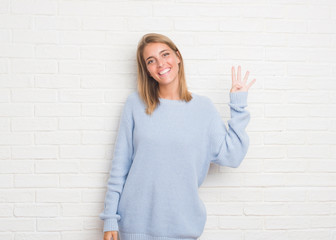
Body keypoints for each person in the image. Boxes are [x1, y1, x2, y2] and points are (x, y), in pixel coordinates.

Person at [99, 33, 256, 240]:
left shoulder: (203, 109)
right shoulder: (135, 105)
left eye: (165, 55)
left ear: (178, 56)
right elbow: (119, 167)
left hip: (183, 227)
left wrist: (238, 106)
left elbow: (232, 156)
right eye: (151, 61)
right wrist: (110, 218)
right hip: (135, 226)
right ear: (146, 69)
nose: (160, 64)